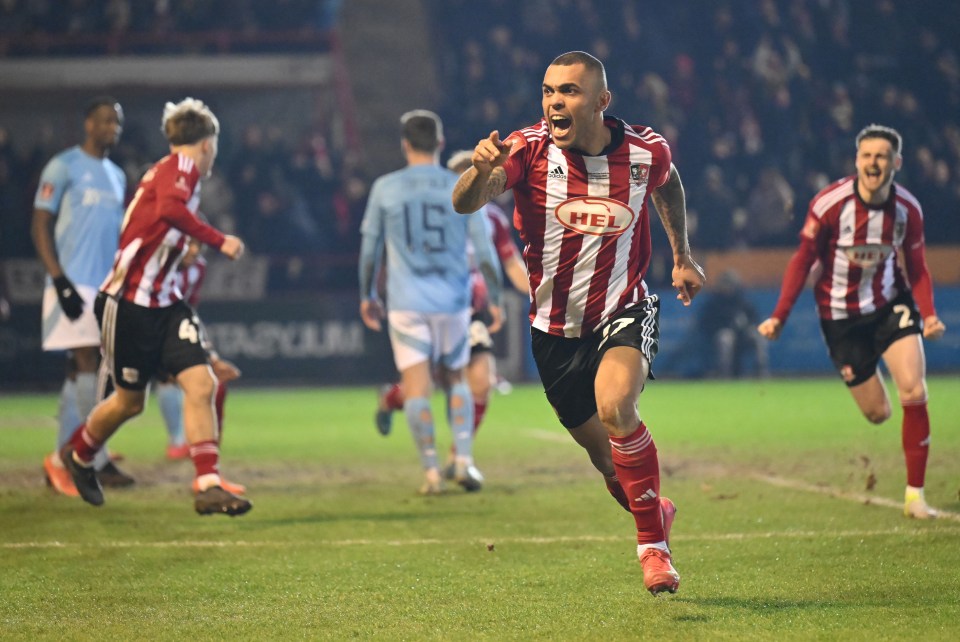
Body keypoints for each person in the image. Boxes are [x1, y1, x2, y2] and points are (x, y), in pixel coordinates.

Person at [452, 51, 705, 596]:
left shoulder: (645, 151)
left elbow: (669, 182)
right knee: (606, 460)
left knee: (617, 407)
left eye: (567, 91)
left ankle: (653, 550)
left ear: (601, 101)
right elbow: (466, 203)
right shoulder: (526, 151)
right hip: (553, 329)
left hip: (624, 308)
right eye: (547, 91)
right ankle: (654, 510)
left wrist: (682, 255)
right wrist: (478, 169)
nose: (553, 103)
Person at [59, 97, 251, 516]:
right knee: (130, 402)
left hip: (166, 303)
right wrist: (220, 239)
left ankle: (208, 483)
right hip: (129, 304)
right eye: (214, 144)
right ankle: (78, 455)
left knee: (202, 384)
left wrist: (181, 251)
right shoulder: (179, 168)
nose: (214, 153)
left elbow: (160, 221)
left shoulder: (171, 175)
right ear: (205, 144)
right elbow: (168, 210)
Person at [758, 124, 947, 520]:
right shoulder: (831, 204)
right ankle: (902, 453)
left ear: (896, 163)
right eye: (866, 155)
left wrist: (928, 315)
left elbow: (917, 267)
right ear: (857, 160)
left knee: (914, 387)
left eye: (881, 156)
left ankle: (916, 496)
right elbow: (802, 260)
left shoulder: (907, 209)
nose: (873, 163)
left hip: (889, 305)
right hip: (840, 317)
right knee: (878, 413)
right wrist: (779, 315)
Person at [359, 110, 504, 495]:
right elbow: (486, 252)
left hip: (407, 302)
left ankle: (430, 474)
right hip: (454, 300)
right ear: (440, 144)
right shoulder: (460, 185)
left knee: (417, 386)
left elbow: (370, 251)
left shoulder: (385, 188)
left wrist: (367, 295)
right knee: (457, 379)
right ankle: (466, 461)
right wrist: (495, 297)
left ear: (404, 144)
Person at [374, 150, 530, 480]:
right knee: (426, 385)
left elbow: (511, 262)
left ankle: (461, 459)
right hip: (430, 308)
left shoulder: (492, 220)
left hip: (469, 312)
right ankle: (392, 398)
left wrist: (534, 292)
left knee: (481, 382)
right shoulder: (434, 215)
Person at [32, 96, 135, 497]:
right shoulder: (64, 166)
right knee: (89, 362)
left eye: (118, 122)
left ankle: (76, 455)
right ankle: (79, 458)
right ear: (88, 124)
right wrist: (58, 280)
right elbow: (40, 223)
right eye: (107, 120)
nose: (113, 127)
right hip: (73, 283)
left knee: (84, 370)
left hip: (105, 285)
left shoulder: (115, 174)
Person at [154, 238, 246, 496]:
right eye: (189, 245)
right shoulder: (156, 263)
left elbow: (189, 311)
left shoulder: (198, 268)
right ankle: (77, 455)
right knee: (126, 401)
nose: (194, 251)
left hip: (174, 326)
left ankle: (202, 458)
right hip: (142, 325)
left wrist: (211, 355)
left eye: (199, 246)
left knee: (212, 384)